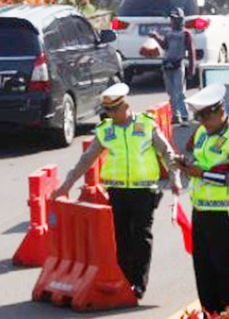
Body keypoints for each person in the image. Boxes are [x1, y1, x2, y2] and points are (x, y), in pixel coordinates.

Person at [52, 83, 181, 300]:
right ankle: (125, 280)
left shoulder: (146, 125)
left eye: (114, 110)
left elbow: (167, 153)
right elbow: (86, 160)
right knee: (121, 237)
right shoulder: (106, 131)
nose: (111, 115)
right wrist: (65, 186)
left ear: (125, 106)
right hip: (118, 191)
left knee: (141, 236)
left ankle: (138, 283)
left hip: (144, 191)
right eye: (107, 111)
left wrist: (175, 178)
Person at [176, 84, 229, 316]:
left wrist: (202, 174)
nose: (201, 121)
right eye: (198, 116)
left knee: (227, 271)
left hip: (226, 214)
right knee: (204, 271)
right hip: (201, 210)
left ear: (220, 111)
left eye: (205, 116)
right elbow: (192, 154)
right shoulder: (201, 133)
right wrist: (183, 163)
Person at [149, 8, 196, 125]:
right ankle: (175, 114)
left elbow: (191, 51)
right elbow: (165, 46)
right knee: (171, 91)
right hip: (167, 65)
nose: (174, 22)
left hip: (178, 64)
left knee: (179, 91)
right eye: (172, 19)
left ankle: (184, 114)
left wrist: (192, 68)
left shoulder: (185, 34)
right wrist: (156, 37)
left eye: (176, 19)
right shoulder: (169, 33)